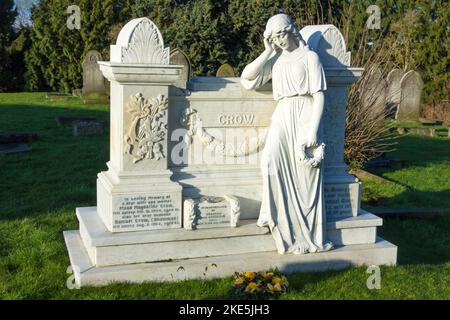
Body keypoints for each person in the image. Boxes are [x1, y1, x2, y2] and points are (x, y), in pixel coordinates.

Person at [241, 14, 333, 254]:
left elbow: (319, 95)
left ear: (291, 30)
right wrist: (267, 51)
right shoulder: (277, 60)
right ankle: (273, 214)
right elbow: (247, 76)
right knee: (270, 160)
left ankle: (305, 234)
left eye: (281, 34)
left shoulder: (310, 58)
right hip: (283, 114)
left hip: (305, 114)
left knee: (306, 176)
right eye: (274, 37)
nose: (279, 40)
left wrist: (313, 129)